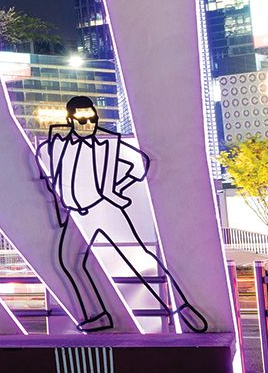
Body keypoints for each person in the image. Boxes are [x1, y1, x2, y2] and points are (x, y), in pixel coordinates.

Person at [36, 96, 207, 334]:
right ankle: (98, 316)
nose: (87, 123)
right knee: (69, 262)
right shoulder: (57, 146)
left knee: (141, 255)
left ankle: (183, 306)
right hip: (77, 215)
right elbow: (47, 172)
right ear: (70, 119)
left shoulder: (110, 144)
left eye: (91, 118)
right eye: (81, 118)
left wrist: (117, 188)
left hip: (105, 207)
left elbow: (143, 161)